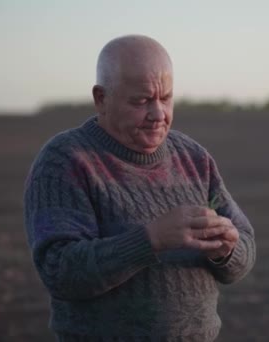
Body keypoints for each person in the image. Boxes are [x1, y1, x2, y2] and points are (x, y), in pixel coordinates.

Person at [23, 35, 256, 341]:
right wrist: (151, 240)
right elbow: (59, 271)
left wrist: (227, 250)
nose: (158, 114)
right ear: (101, 98)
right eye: (141, 100)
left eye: (166, 98)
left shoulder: (194, 159)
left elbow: (244, 249)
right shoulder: (65, 161)